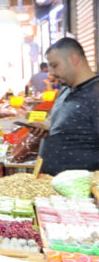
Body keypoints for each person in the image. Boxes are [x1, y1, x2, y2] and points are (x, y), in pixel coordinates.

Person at [30, 38, 99, 176]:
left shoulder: (95, 95)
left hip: (81, 192)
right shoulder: (65, 89)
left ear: (73, 59)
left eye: (55, 65)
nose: (51, 73)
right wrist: (48, 128)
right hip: (54, 188)